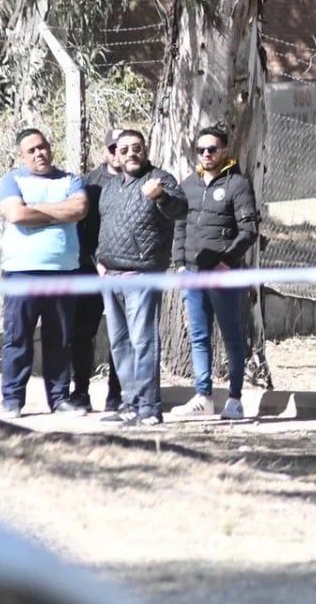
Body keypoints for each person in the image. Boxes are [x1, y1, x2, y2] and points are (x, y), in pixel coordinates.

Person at [0, 129, 88, 419]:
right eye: (32, 150)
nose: (39, 153)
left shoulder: (70, 180)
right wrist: (59, 213)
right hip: (21, 272)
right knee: (18, 337)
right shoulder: (11, 180)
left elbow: (79, 209)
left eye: (43, 147)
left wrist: (35, 211)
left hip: (62, 272)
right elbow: (16, 215)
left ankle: (59, 399)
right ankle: (12, 400)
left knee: (59, 339)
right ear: (21, 156)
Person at [96, 130, 187, 427]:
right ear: (116, 155)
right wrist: (99, 259)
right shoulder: (111, 187)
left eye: (137, 148)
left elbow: (180, 209)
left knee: (142, 342)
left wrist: (160, 196)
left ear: (145, 150)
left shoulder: (160, 179)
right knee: (120, 344)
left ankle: (149, 409)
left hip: (141, 275)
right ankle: (129, 403)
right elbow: (106, 226)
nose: (131, 153)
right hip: (110, 276)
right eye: (124, 150)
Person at [171, 126, 260, 421]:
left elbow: (249, 230)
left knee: (232, 336)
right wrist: (180, 264)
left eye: (212, 149)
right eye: (201, 150)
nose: (206, 154)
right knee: (199, 336)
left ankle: (235, 399)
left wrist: (227, 261)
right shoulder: (188, 185)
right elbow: (180, 227)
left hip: (223, 275)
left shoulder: (237, 185)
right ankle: (203, 397)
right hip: (192, 274)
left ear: (224, 150)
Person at [70, 128, 126, 413]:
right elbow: (78, 228)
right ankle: (80, 391)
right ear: (106, 150)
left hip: (124, 269)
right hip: (90, 269)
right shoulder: (88, 182)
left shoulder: (141, 179)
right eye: (113, 148)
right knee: (82, 331)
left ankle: (117, 393)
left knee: (121, 333)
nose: (118, 153)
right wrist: (92, 262)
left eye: (123, 147)